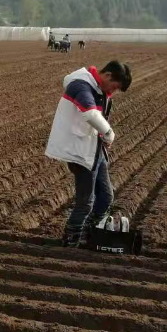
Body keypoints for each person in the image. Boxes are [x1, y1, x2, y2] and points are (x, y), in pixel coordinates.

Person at [45, 61, 133, 247]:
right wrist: (109, 134)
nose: (113, 92)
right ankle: (71, 239)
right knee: (86, 201)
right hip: (80, 152)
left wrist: (102, 138)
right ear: (108, 75)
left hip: (94, 150)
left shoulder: (99, 90)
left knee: (106, 196)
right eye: (115, 87)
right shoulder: (80, 85)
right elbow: (90, 114)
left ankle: (93, 233)